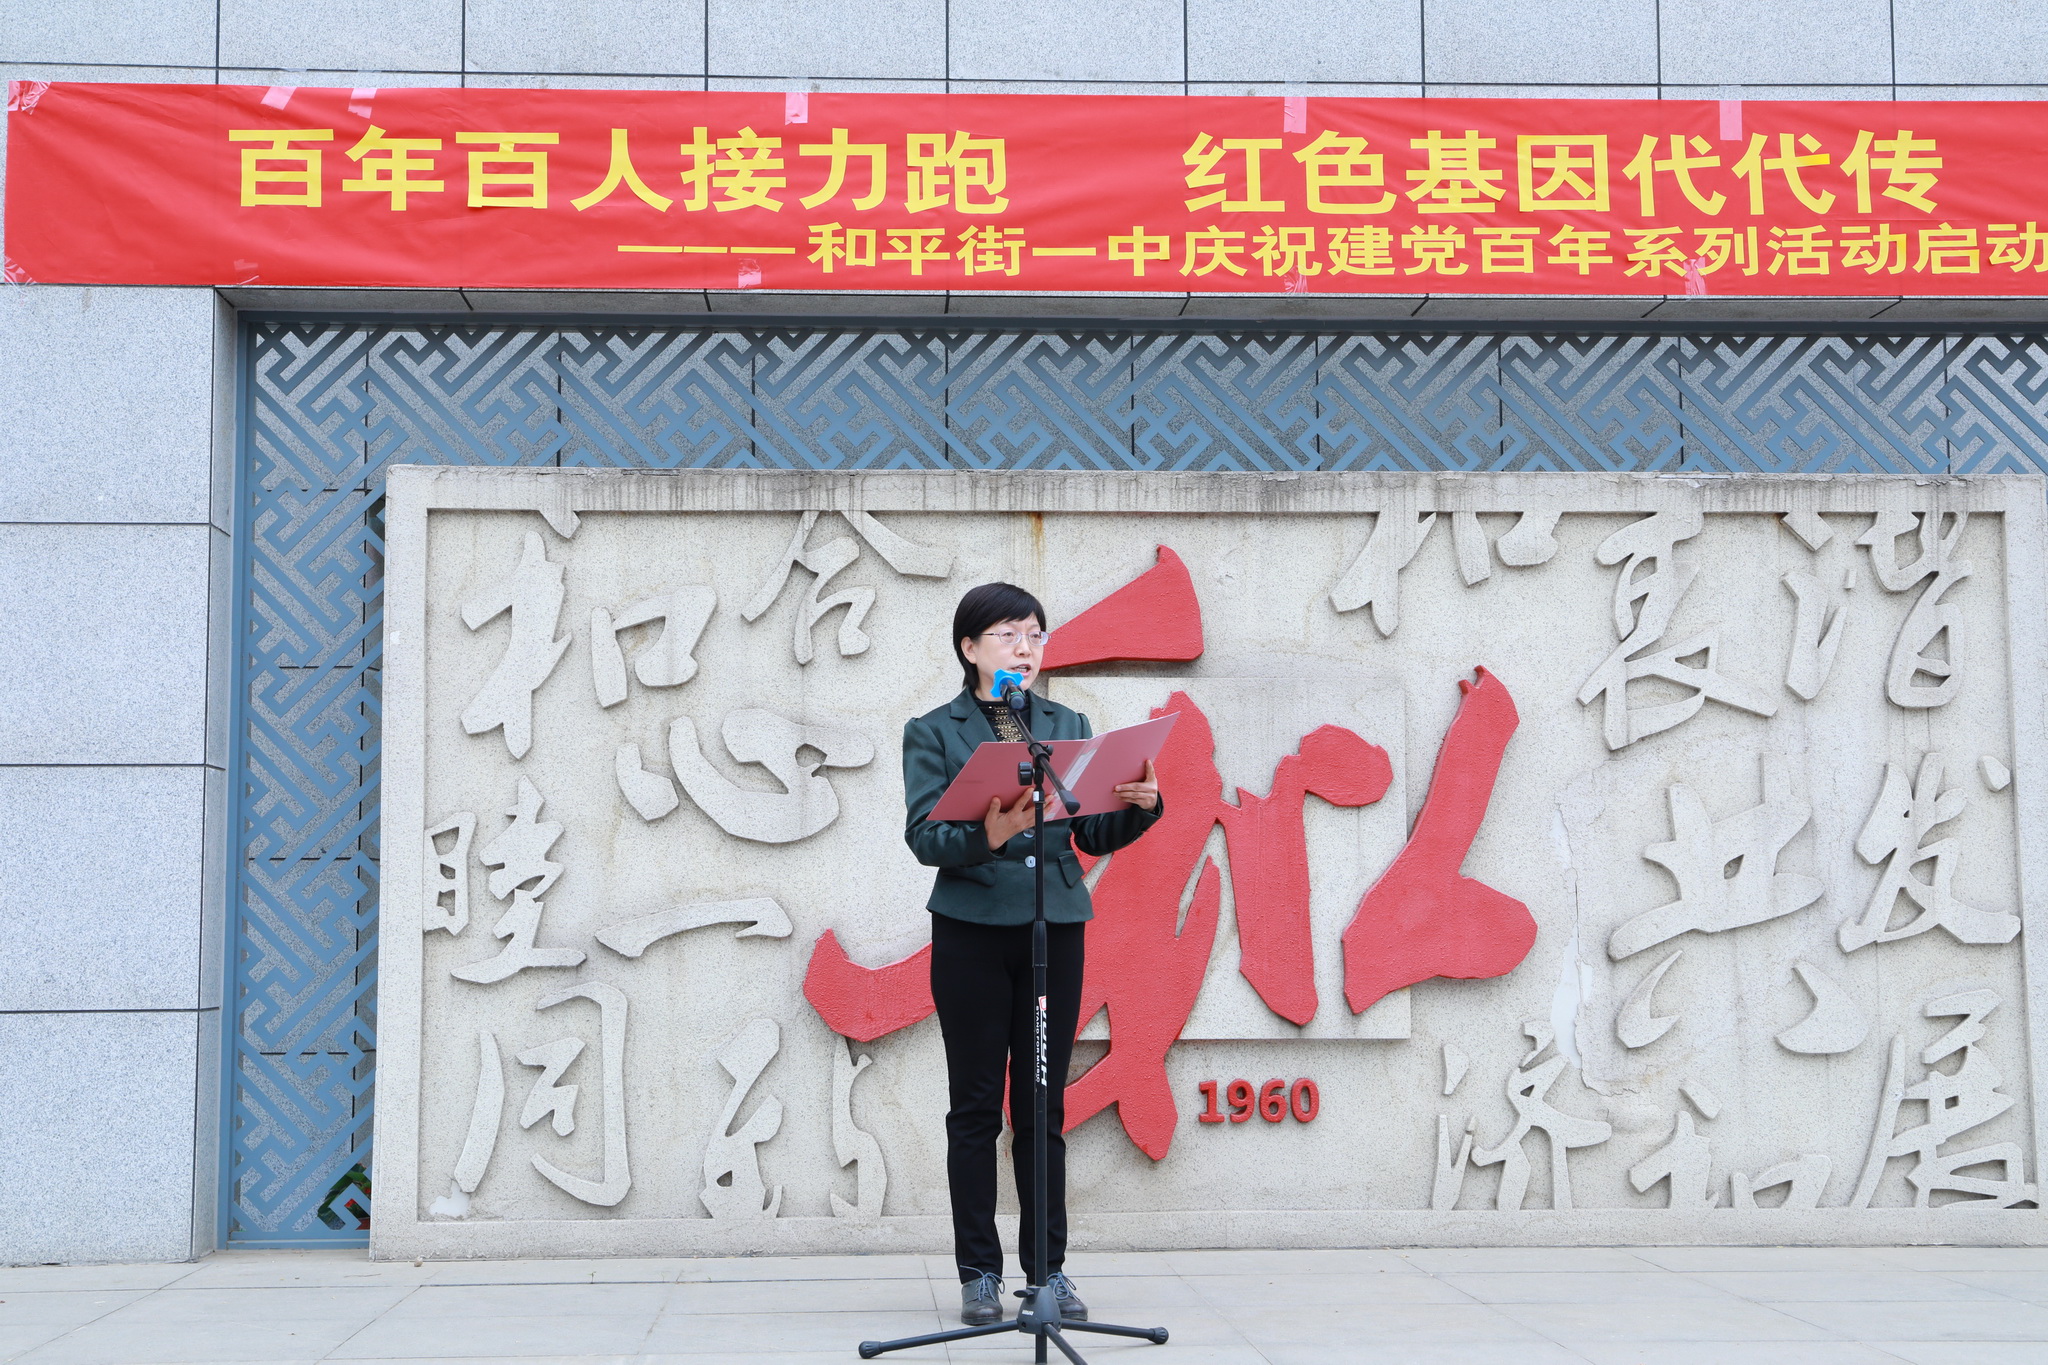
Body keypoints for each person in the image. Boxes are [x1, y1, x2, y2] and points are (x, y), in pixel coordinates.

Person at [902, 582, 1163, 1328]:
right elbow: (924, 836)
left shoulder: (1065, 725)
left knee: (1043, 1106)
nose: (1026, 648)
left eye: (1035, 634)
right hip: (972, 932)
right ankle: (979, 1273)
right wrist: (986, 835)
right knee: (976, 1107)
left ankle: (1047, 1271)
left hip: (1055, 930)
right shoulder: (934, 730)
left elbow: (1091, 832)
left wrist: (1141, 808)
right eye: (1009, 634)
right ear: (970, 647)